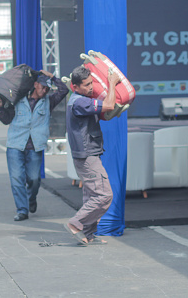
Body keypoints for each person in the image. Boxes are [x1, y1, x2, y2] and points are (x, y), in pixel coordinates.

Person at [0, 70, 68, 221]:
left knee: (34, 179)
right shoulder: (17, 99)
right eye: (43, 87)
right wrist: (0, 107)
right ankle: (22, 210)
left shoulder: (49, 101)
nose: (45, 90)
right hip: (15, 144)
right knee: (16, 178)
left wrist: (52, 77)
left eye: (47, 88)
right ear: (35, 85)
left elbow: (64, 90)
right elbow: (6, 119)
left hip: (35, 146)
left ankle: (31, 198)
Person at [64, 66, 120, 246]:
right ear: (75, 86)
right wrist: (112, 83)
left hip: (87, 154)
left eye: (91, 83)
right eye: (86, 84)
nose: (90, 87)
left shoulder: (82, 100)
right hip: (87, 156)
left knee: (91, 196)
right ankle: (76, 223)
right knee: (104, 195)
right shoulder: (80, 102)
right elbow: (110, 105)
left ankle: (88, 235)